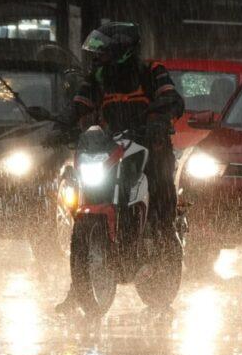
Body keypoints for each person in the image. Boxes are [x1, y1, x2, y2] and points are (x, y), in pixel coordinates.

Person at [56, 22, 184, 313]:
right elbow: (78, 104)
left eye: (101, 54)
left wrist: (158, 119)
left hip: (151, 149)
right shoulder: (98, 78)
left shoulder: (152, 72)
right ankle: (79, 288)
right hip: (110, 149)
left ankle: (163, 250)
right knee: (88, 196)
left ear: (121, 53)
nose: (95, 60)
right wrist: (59, 125)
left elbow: (171, 98)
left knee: (161, 197)